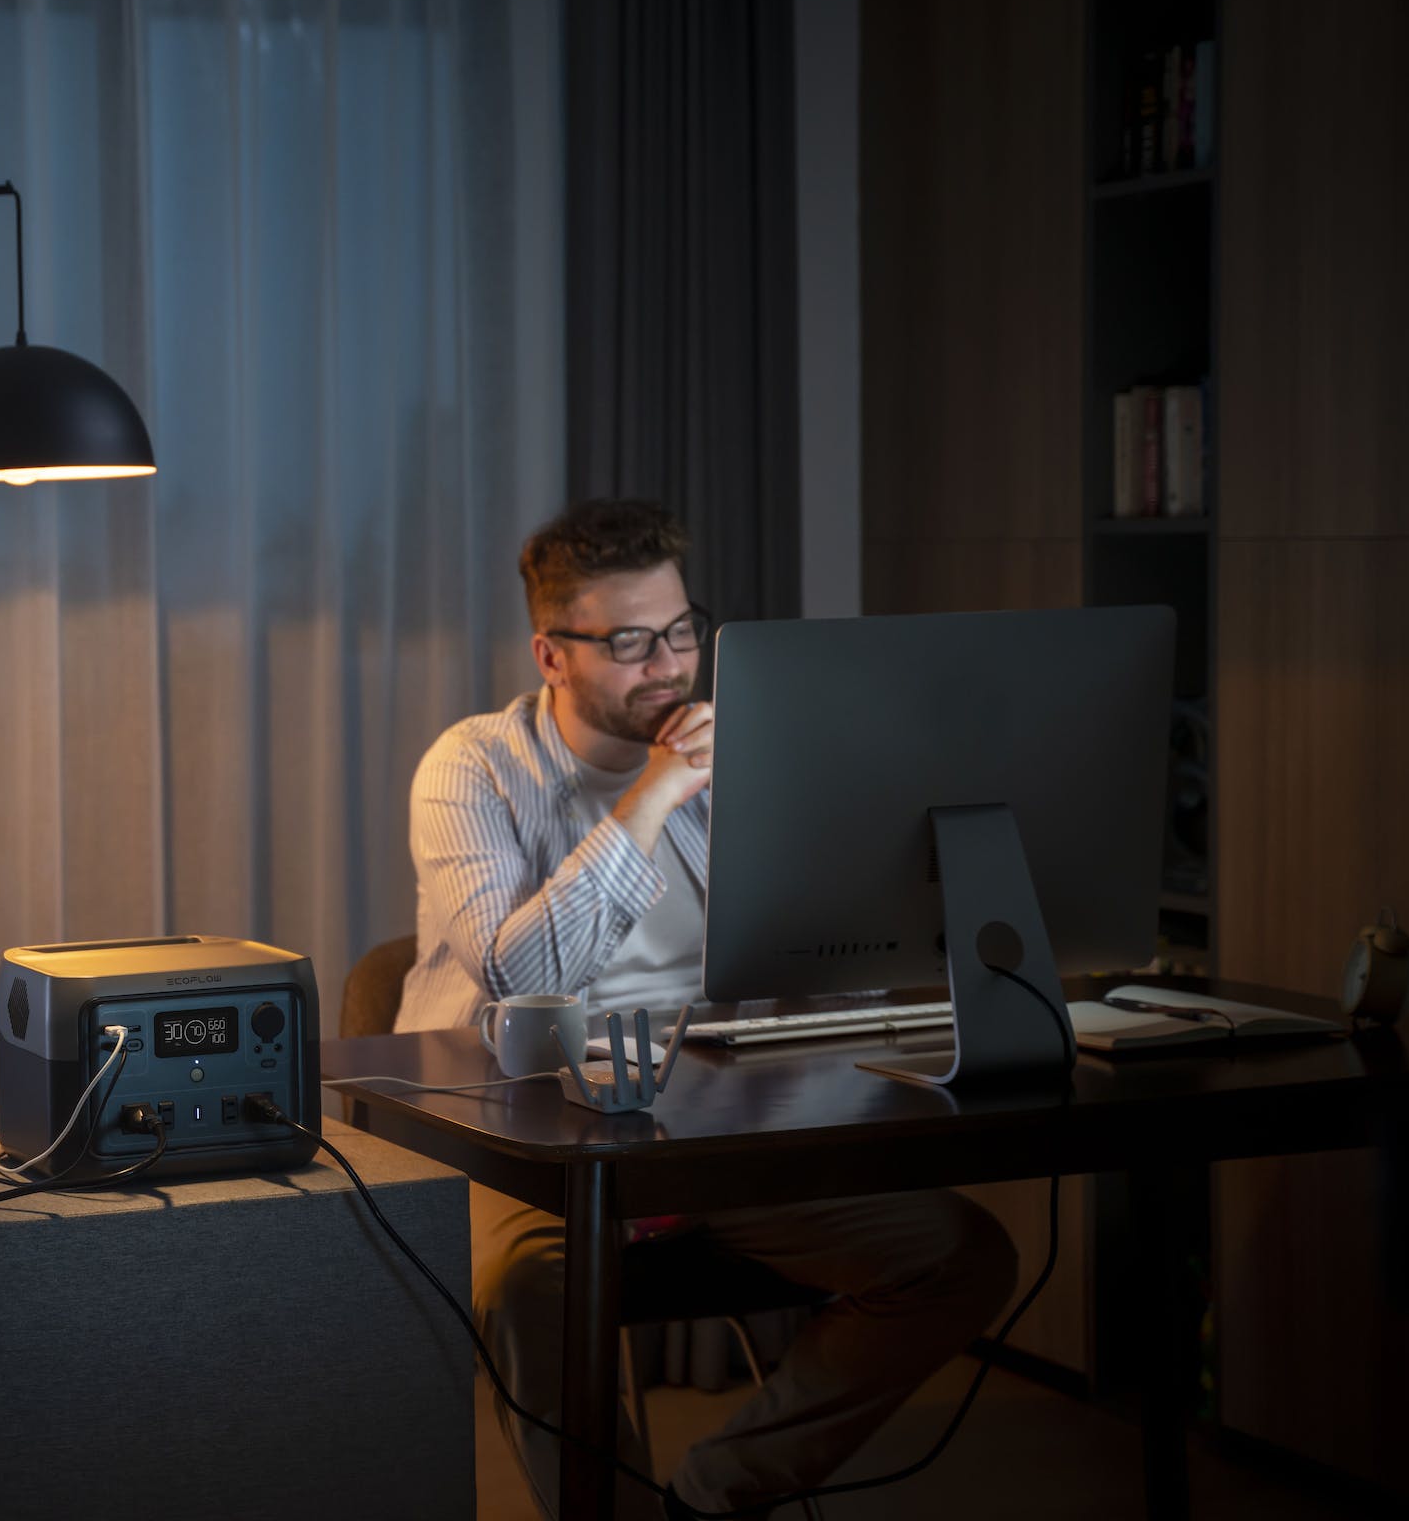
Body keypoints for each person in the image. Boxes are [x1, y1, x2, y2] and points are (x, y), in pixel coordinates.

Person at [396, 498, 1017, 1520]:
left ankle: (713, 1494)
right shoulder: (473, 770)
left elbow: (830, 968)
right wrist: (650, 798)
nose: (669, 667)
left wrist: (875, 900)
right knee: (523, 1290)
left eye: (681, 631)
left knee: (962, 1255)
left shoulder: (743, 755)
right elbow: (521, 973)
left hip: (712, 1129)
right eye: (631, 642)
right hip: (527, 1131)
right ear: (553, 656)